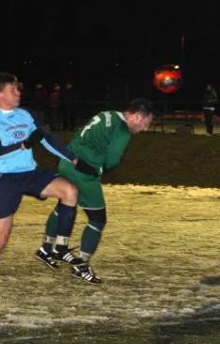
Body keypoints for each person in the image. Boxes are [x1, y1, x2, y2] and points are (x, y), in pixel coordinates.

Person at [0, 72, 98, 319]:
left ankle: (59, 247)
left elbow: (46, 139)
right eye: (13, 90)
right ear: (0, 94)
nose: (18, 93)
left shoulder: (26, 114)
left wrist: (75, 160)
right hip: (6, 180)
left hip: (30, 173)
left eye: (18, 89)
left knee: (70, 190)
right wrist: (25, 144)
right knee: (1, 239)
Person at [36, 98, 155, 284]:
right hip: (83, 171)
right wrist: (99, 169)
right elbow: (112, 161)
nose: (144, 129)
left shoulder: (107, 114)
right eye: (145, 124)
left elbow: (81, 134)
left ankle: (46, 248)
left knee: (64, 204)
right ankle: (81, 265)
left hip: (68, 161)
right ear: (137, 117)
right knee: (97, 219)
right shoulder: (122, 131)